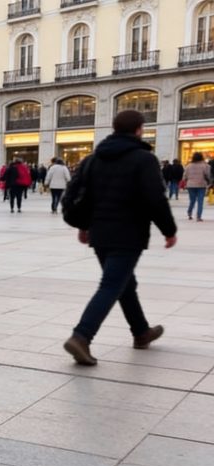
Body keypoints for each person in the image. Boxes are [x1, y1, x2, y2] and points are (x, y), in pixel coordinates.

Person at [62, 110, 177, 366]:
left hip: (100, 233)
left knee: (124, 284)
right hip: (128, 233)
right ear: (138, 130)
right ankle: (81, 336)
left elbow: (82, 195)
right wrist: (169, 230)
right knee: (112, 285)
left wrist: (83, 226)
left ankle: (141, 332)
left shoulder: (94, 158)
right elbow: (155, 198)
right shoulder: (143, 159)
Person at [184, 152, 211, 221]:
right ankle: (199, 216)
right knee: (200, 201)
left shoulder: (188, 166)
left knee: (192, 200)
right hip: (201, 185)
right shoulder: (205, 166)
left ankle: (189, 212)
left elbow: (185, 176)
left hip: (190, 185)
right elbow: (208, 175)